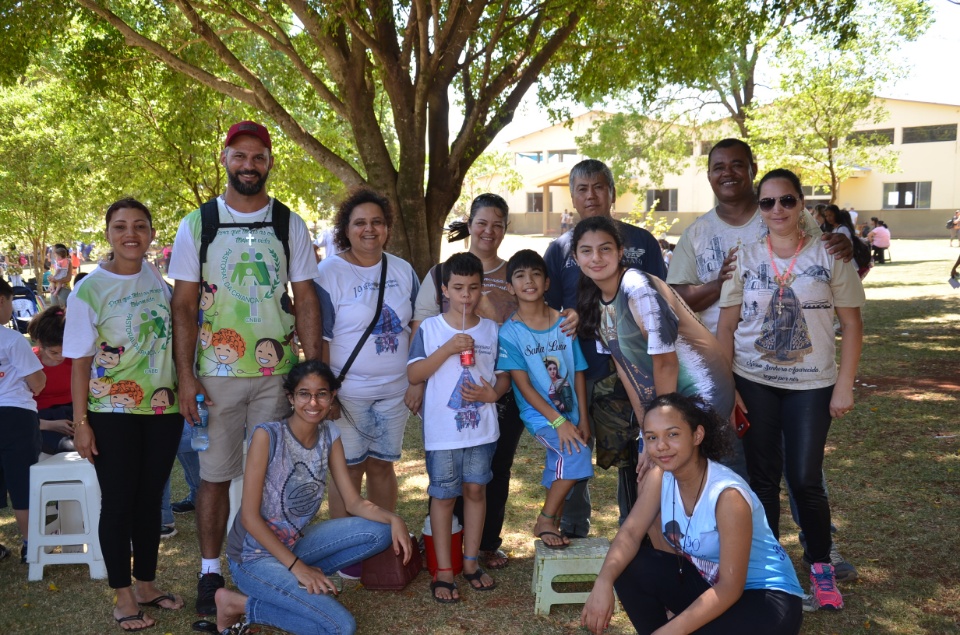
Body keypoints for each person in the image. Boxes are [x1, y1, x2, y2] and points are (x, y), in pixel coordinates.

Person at [665, 139, 858, 584]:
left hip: (801, 367)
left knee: (804, 468)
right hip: (731, 365)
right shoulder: (697, 233)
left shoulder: (786, 211)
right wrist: (722, 280)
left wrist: (846, 247)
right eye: (718, 166)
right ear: (709, 174)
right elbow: (678, 295)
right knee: (753, 466)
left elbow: (825, 251)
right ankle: (758, 559)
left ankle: (819, 552)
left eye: (737, 165)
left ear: (752, 169)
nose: (727, 173)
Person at [169, 120, 322, 615]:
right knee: (214, 476)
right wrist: (187, 375)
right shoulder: (198, 223)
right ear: (225, 159)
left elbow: (306, 298)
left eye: (258, 157)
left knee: (274, 474)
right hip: (215, 375)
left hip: (277, 373)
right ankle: (210, 570)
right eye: (240, 156)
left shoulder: (288, 223)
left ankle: (261, 563)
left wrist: (314, 369)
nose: (249, 165)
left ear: (270, 162)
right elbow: (185, 306)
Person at [717, 168, 865, 611]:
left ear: (801, 203)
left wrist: (844, 386)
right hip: (754, 380)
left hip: (812, 384)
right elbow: (726, 326)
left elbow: (853, 325)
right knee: (761, 480)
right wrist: (729, 391)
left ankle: (821, 569)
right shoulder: (743, 255)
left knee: (804, 478)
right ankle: (769, 568)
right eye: (767, 202)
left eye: (786, 201)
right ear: (758, 209)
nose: (777, 210)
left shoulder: (832, 253)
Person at [410, 193, 575, 570]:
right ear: (470, 224)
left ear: (505, 229)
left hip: (507, 386)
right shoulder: (441, 273)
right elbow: (421, 329)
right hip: (449, 387)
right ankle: (446, 547)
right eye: (482, 222)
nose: (489, 230)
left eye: (498, 224)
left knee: (494, 468)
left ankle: (485, 544)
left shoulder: (513, 271)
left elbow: (536, 320)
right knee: (448, 472)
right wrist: (415, 384)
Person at [212, 361, 412, 634]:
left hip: (294, 545)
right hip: (252, 558)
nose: (313, 402)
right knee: (340, 627)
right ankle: (237, 603)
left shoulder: (330, 434)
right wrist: (297, 568)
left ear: (332, 398)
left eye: (322, 394)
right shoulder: (267, 436)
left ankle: (293, 581)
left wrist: (394, 518)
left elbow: (353, 502)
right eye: (304, 393)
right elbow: (248, 517)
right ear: (291, 398)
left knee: (381, 531)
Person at [581, 393, 804, 634]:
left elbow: (730, 587)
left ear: (697, 435)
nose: (661, 446)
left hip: (766, 598)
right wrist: (603, 581)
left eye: (673, 434)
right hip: (710, 583)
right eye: (652, 437)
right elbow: (631, 533)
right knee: (630, 565)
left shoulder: (728, 495)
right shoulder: (660, 476)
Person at [64, 198, 185, 632]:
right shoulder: (89, 290)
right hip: (111, 412)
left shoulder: (158, 277)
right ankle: (122, 596)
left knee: (150, 499)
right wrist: (81, 424)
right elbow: (79, 362)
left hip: (164, 409)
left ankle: (147, 584)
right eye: (120, 226)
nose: (130, 233)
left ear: (152, 233)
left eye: (139, 225)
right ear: (108, 234)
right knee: (117, 503)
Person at [544, 159, 665, 535]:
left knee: (633, 450)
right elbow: (546, 308)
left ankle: (638, 528)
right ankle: (572, 526)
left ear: (612, 192)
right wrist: (567, 315)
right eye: (582, 189)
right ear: (573, 197)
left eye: (598, 187)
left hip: (631, 367)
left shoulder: (641, 242)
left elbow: (658, 302)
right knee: (574, 446)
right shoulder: (559, 248)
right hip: (576, 368)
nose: (591, 195)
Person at [573, 216, 737, 472]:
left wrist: (657, 431)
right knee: (653, 480)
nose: (596, 257)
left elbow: (666, 364)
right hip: (666, 403)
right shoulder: (597, 301)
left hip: (701, 398)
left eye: (605, 248)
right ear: (575, 258)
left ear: (620, 251)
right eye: (586, 250)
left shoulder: (637, 288)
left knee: (681, 482)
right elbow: (627, 371)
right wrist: (645, 431)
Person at [314, 188, 418, 536]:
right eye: (359, 223)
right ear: (345, 229)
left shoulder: (403, 271)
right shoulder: (329, 273)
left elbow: (417, 329)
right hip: (347, 395)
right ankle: (344, 549)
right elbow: (321, 338)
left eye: (377, 222)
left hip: (395, 393)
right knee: (348, 469)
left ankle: (379, 540)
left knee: (382, 466)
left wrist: (416, 382)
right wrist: (326, 394)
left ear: (388, 228)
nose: (369, 229)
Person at [407, 252, 509, 601]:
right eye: (459, 288)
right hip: (442, 433)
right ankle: (444, 570)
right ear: (444, 290)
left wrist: (492, 392)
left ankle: (470, 562)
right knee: (444, 495)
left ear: (482, 290)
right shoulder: (431, 329)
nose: (466, 296)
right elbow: (414, 374)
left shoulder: (492, 330)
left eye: (474, 288)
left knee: (476, 491)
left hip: (481, 429)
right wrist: (449, 348)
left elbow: (505, 374)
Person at [497, 249, 592, 549]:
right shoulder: (509, 333)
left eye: (536, 274)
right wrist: (559, 422)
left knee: (561, 465)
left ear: (547, 282)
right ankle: (546, 519)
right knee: (575, 455)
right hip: (542, 416)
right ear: (510, 287)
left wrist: (583, 418)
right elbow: (523, 386)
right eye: (520, 275)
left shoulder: (564, 322)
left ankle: (556, 524)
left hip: (571, 412)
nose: (529, 281)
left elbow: (577, 372)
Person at [0, 277, 46, 564]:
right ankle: (30, 545)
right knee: (22, 480)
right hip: (15, 414)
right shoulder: (12, 339)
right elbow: (37, 382)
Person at [27, 306, 76, 455]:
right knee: (66, 447)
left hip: (73, 413)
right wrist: (50, 425)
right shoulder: (29, 361)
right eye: (54, 352)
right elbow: (19, 409)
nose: (61, 356)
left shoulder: (75, 359)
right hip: (41, 418)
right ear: (40, 344)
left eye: (65, 350)